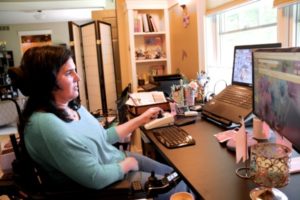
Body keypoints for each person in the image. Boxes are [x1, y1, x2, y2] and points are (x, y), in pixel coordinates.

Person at [9, 45, 189, 199]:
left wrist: (142, 118)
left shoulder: (72, 106)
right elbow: (94, 177)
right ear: (47, 80)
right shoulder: (45, 124)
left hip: (117, 162)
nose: (78, 78)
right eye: (69, 73)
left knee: (179, 175)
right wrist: (126, 165)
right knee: (182, 189)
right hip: (108, 184)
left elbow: (103, 137)